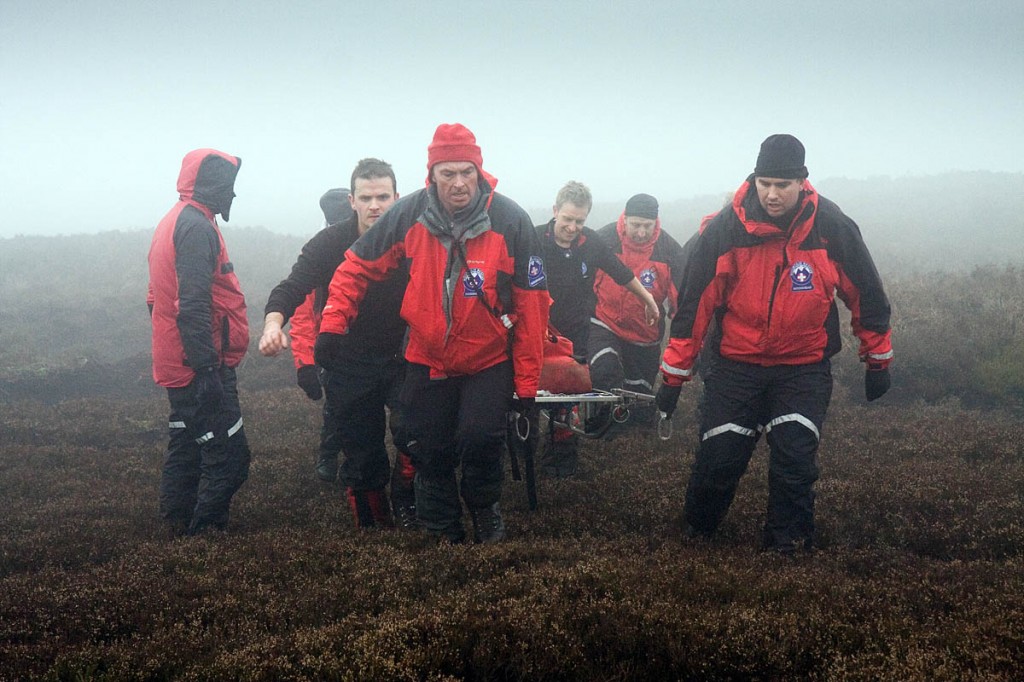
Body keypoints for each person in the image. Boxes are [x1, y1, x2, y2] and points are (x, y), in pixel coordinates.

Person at [657, 133, 893, 554]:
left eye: (781, 185)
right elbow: (694, 307)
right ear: (754, 179)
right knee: (720, 457)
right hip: (735, 365)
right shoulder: (725, 229)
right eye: (764, 183)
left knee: (795, 460)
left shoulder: (832, 226)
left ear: (802, 182)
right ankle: (697, 534)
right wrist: (674, 376)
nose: (771, 194)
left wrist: (878, 360)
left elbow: (867, 295)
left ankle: (789, 549)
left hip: (803, 367)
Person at [315, 123, 549, 544]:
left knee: (480, 439)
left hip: (488, 358)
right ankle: (442, 528)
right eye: (447, 173)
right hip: (426, 356)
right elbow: (356, 266)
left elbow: (533, 306)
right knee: (428, 445)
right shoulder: (407, 214)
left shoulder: (512, 220)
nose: (459, 183)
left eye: (467, 172)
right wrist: (333, 323)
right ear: (431, 174)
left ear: (479, 171)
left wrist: (528, 386)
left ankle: (484, 509)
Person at [259, 160, 417, 529]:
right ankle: (374, 527)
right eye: (366, 197)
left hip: (406, 354)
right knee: (362, 451)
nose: (375, 206)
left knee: (418, 437)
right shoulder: (329, 243)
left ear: (397, 197)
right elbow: (291, 287)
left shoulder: (415, 239)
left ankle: (408, 498)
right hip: (348, 360)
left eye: (383, 197)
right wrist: (272, 325)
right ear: (352, 200)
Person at [147, 148, 251, 536]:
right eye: (228, 186)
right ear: (209, 185)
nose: (233, 196)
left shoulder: (175, 221)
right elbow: (190, 305)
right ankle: (205, 537)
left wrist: (175, 352)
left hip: (180, 362)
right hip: (199, 367)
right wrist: (206, 369)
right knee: (230, 457)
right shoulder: (196, 228)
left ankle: (174, 528)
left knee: (187, 446)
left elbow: (154, 299)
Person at [536, 181, 660, 476]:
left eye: (579, 221)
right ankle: (519, 447)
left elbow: (622, 274)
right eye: (567, 219)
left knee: (569, 396)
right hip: (538, 331)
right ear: (555, 211)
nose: (572, 226)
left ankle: (561, 462)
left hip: (576, 332)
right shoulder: (532, 239)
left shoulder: (591, 243)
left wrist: (649, 300)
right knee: (530, 396)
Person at [589, 193, 687, 425]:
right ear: (624, 219)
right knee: (604, 371)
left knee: (639, 398)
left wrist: (685, 341)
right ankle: (601, 424)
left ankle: (634, 431)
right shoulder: (604, 239)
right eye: (636, 225)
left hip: (645, 333)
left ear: (656, 223)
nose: (641, 232)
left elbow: (680, 302)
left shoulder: (670, 251)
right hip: (605, 322)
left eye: (647, 226)